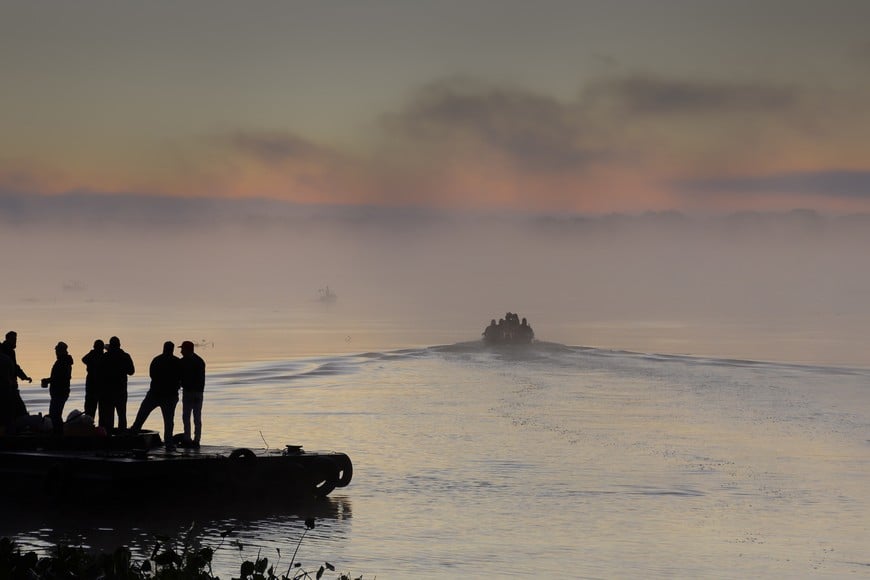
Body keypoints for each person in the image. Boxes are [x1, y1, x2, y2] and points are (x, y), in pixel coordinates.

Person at [131, 341, 181, 451]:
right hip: (169, 396)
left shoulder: (157, 360)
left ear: (163, 348)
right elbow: (181, 377)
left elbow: (152, 375)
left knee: (141, 415)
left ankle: (132, 437)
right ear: (172, 349)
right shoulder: (177, 362)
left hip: (155, 393)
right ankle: (168, 444)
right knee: (168, 421)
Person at [101, 336, 135, 432]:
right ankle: (122, 434)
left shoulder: (106, 356)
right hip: (121, 390)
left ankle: (109, 436)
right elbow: (131, 371)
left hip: (108, 391)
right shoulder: (125, 356)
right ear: (119, 345)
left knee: (109, 416)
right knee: (122, 415)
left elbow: (100, 372)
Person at [42, 341, 74, 437]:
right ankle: (59, 433)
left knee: (55, 415)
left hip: (60, 392)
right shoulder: (63, 361)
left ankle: (58, 435)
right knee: (55, 414)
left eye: (57, 350)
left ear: (61, 351)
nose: (56, 352)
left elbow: (60, 378)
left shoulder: (62, 362)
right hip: (60, 392)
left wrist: (48, 380)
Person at [179, 340, 206, 448]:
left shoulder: (184, 362)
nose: (181, 351)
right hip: (197, 392)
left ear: (187, 350)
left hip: (190, 392)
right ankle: (195, 439)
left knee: (188, 416)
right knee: (195, 417)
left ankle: (189, 439)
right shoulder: (199, 361)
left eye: (182, 349)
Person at [0, 331, 32, 417]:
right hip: (8, 385)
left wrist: (24, 377)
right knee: (18, 406)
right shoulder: (5, 350)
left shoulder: (10, 351)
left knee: (14, 406)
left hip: (10, 384)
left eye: (15, 339)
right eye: (13, 339)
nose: (15, 341)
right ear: (8, 339)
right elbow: (12, 367)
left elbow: (15, 366)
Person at [81, 339, 105, 420]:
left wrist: (92, 352)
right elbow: (83, 359)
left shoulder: (92, 356)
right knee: (101, 411)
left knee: (90, 410)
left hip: (93, 387)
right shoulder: (103, 357)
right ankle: (100, 427)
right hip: (100, 387)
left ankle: (89, 426)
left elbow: (84, 359)